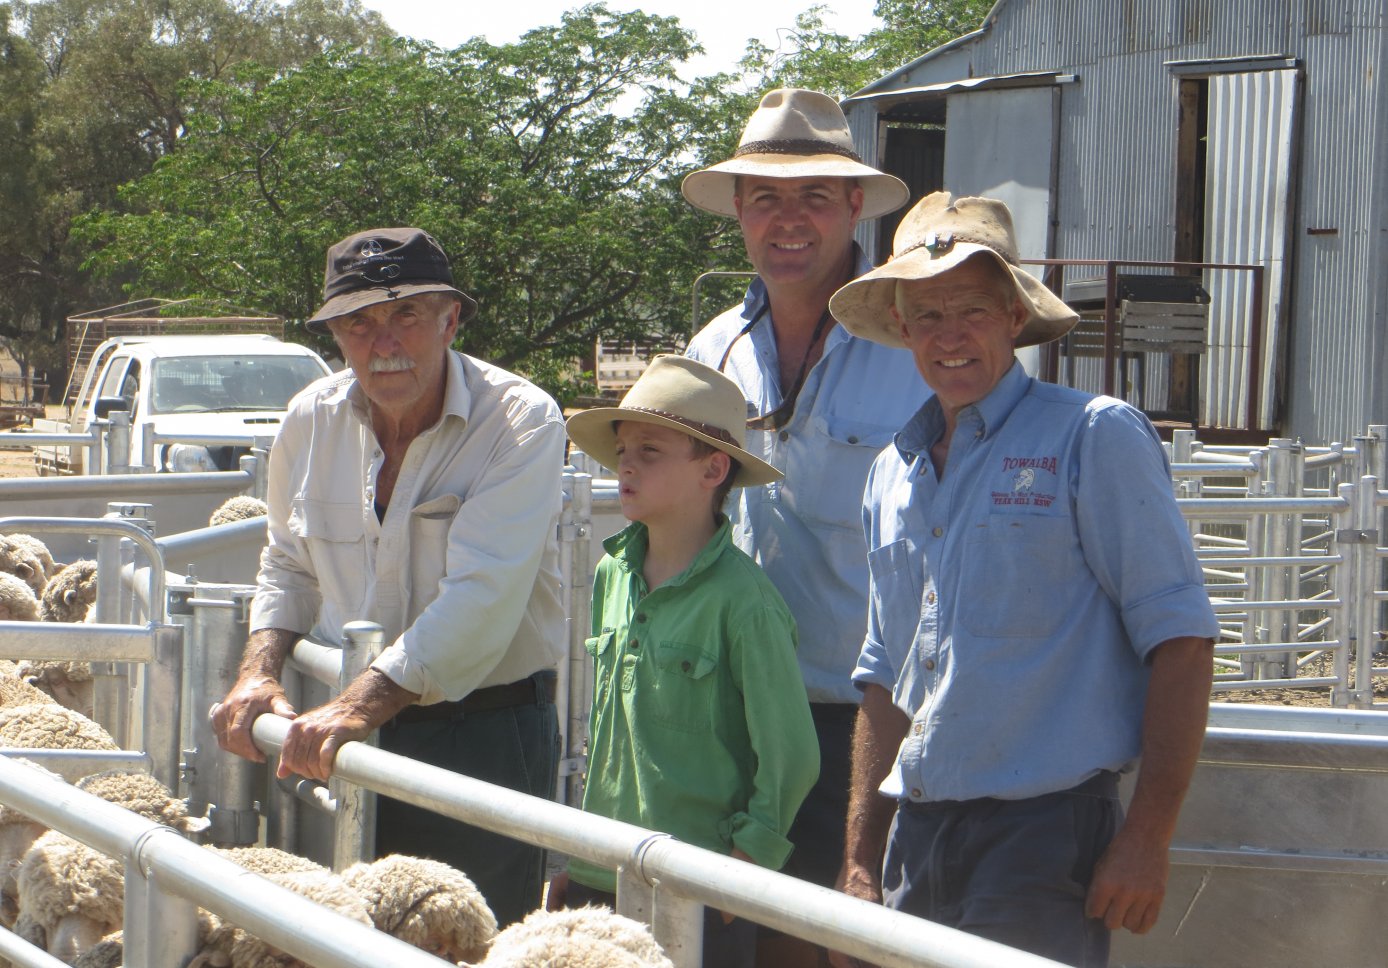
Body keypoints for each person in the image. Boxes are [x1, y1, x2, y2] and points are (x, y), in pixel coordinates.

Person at [826, 192, 1218, 967]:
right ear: (901, 328)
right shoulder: (890, 474)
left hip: (1044, 832)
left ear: (1013, 314)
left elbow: (1180, 637)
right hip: (919, 828)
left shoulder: (1091, 434)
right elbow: (884, 678)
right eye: (927, 315)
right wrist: (861, 861)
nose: (950, 336)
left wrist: (1146, 837)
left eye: (971, 308)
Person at [211, 227, 566, 927]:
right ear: (337, 335)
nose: (384, 341)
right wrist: (260, 669)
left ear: (450, 319)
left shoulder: (519, 420)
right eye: (359, 322)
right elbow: (288, 561)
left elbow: (482, 598)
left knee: (471, 937)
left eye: (406, 314)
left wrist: (353, 708)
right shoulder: (309, 420)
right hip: (347, 730)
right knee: (346, 935)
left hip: (482, 734)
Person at [682, 87, 928, 964]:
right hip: (737, 710)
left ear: (854, 205)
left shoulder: (916, 341)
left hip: (867, 718)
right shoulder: (712, 348)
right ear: (739, 211)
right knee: (736, 938)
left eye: (814, 196)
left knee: (853, 941)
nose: (788, 219)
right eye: (766, 197)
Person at [555, 355, 820, 968]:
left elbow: (792, 753)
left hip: (699, 881)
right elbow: (605, 736)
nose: (624, 463)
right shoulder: (610, 573)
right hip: (607, 868)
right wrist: (580, 858)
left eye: (650, 450)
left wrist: (747, 864)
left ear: (714, 469)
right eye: (622, 448)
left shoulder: (745, 602)